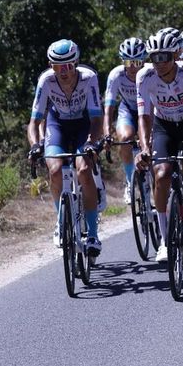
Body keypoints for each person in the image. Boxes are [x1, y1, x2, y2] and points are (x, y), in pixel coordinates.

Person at [27, 39, 105, 256]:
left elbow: (97, 119)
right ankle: (61, 219)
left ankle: (92, 233)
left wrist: (91, 142)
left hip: (83, 124)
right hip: (57, 124)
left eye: (68, 66)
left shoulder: (89, 78)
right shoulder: (46, 81)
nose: (63, 71)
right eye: (57, 66)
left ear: (76, 63)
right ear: (51, 66)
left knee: (83, 170)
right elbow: (34, 121)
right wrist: (35, 145)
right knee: (54, 170)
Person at [136, 28, 183, 263]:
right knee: (162, 173)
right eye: (154, 57)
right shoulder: (145, 77)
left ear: (175, 55)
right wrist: (144, 148)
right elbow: (144, 116)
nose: (159, 63)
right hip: (164, 125)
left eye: (164, 57)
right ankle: (165, 241)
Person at [103, 37, 146, 206]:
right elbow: (109, 108)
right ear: (123, 61)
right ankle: (130, 182)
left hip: (148, 111)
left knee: (150, 142)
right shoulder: (116, 75)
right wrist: (107, 133)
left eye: (137, 61)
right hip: (128, 109)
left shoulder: (150, 71)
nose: (133, 67)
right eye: (129, 62)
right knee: (125, 138)